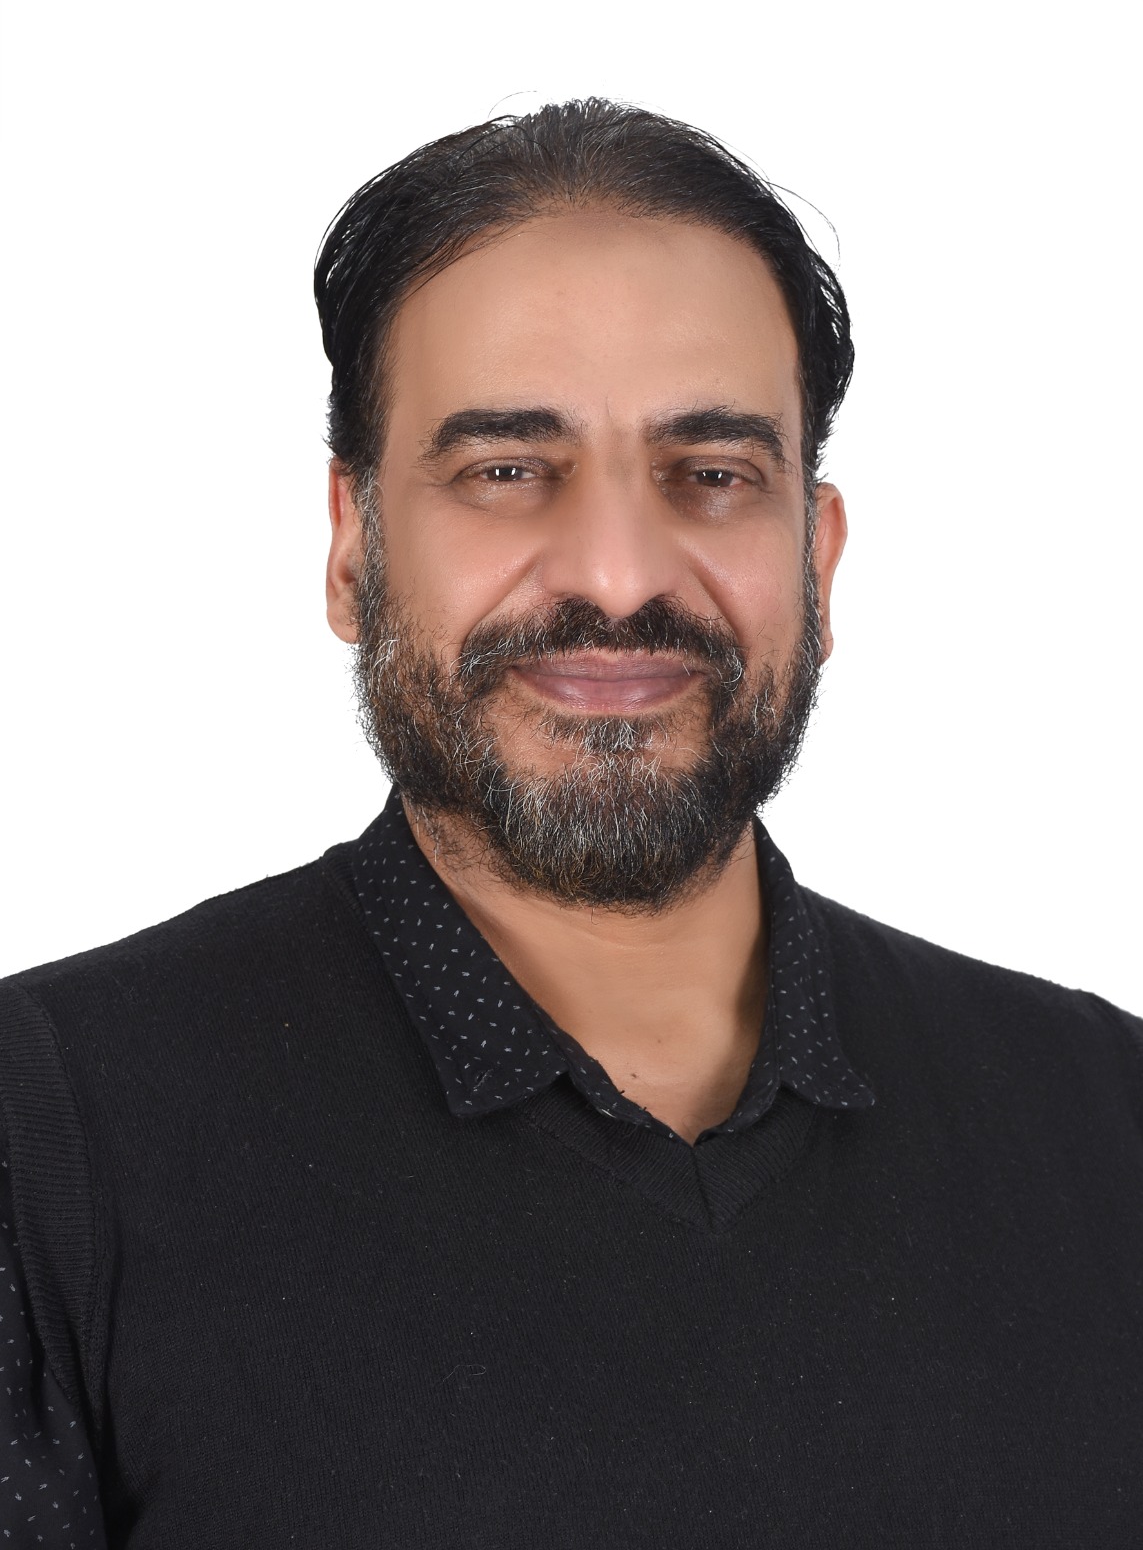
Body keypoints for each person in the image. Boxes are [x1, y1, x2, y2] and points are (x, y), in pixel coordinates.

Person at [0, 98, 1139, 1548]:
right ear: (352, 549)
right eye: (507, 471)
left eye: (712, 474)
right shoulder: (46, 1139)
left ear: (818, 557)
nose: (616, 573)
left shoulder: (1109, 1121)